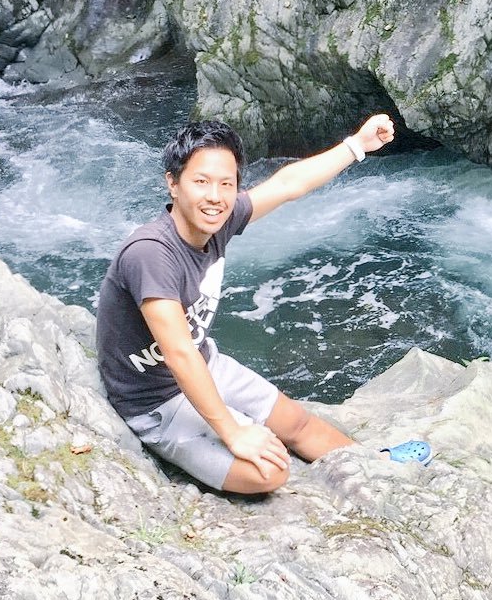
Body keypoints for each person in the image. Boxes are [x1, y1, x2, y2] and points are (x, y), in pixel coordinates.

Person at [96, 113, 431, 494]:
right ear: (173, 184)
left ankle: (377, 465)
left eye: (227, 184)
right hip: (155, 401)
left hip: (205, 363)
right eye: (201, 182)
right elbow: (177, 353)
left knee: (298, 424)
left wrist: (357, 145)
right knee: (270, 472)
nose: (215, 196)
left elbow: (289, 184)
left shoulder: (217, 220)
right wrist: (233, 431)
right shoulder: (151, 253)